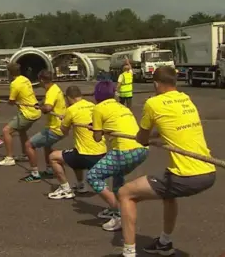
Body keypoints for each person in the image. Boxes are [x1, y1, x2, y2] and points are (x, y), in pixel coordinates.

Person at [118, 66, 216, 257]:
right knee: (168, 193)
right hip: (208, 172)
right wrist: (156, 136)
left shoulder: (153, 103)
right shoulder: (186, 99)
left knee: (125, 193)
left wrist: (146, 138)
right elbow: (173, 128)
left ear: (156, 84)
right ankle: (164, 243)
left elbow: (142, 138)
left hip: (185, 177)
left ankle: (128, 253)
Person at [87, 80, 148, 232]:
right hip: (142, 149)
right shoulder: (121, 106)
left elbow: (96, 138)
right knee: (117, 176)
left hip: (124, 151)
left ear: (97, 94)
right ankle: (116, 209)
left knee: (93, 176)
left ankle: (120, 213)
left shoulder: (98, 108)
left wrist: (95, 129)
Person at [48, 85, 107, 199]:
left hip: (86, 155)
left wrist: (64, 120)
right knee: (75, 152)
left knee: (53, 157)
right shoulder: (93, 106)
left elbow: (63, 131)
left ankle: (65, 189)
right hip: (102, 151)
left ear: (69, 97)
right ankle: (81, 185)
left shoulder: (71, 109)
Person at [19, 70, 66, 182]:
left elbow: (48, 108)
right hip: (58, 126)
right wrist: (39, 104)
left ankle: (35, 174)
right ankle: (50, 170)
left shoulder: (51, 92)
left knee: (29, 145)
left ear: (41, 80)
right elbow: (47, 101)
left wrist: (42, 108)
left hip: (55, 128)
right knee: (47, 146)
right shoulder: (54, 88)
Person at [0, 63, 41, 166]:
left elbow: (12, 101)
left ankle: (9, 158)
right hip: (35, 111)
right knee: (22, 131)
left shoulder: (14, 83)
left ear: (10, 73)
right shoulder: (25, 79)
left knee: (6, 131)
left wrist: (10, 102)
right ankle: (25, 154)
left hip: (28, 113)